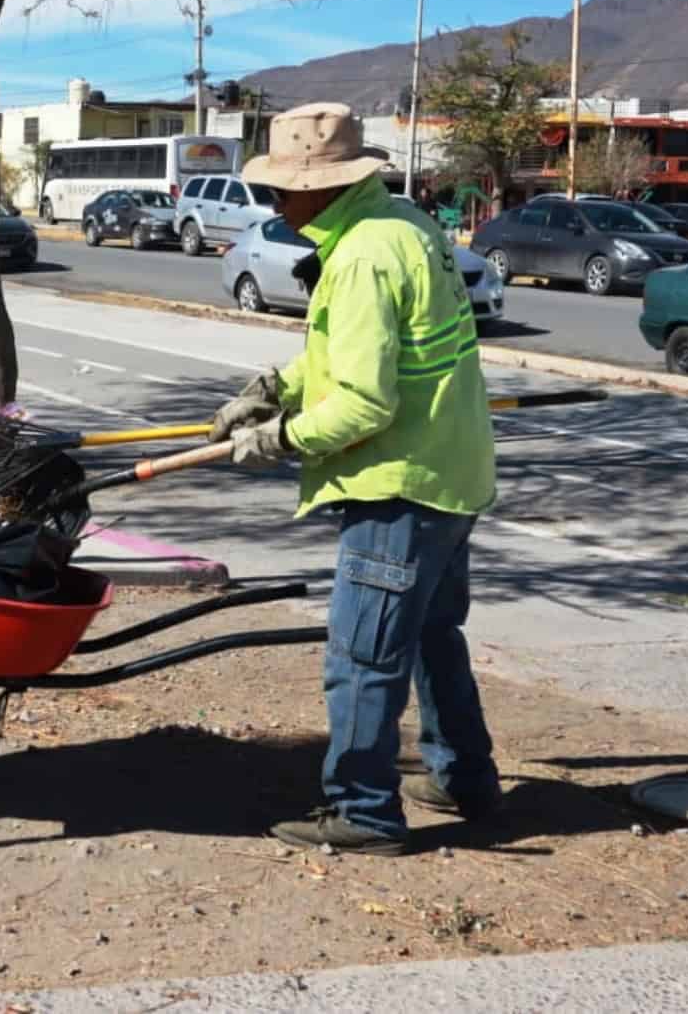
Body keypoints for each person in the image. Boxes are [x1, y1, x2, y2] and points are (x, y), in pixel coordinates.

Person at [210, 102, 499, 856]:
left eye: (282, 190)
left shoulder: (365, 256)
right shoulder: (402, 225)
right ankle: (464, 775)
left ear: (324, 185)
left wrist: (281, 438)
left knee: (362, 654)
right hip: (450, 473)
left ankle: (364, 810)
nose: (276, 205)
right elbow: (349, 358)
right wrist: (274, 386)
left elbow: (367, 401)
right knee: (434, 634)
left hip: (397, 484)